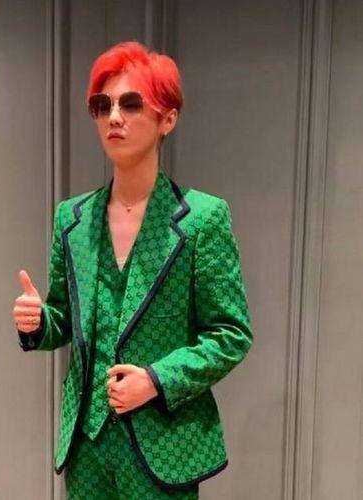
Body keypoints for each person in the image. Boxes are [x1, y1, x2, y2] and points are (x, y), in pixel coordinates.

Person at [13, 40, 253, 500]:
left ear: (168, 119)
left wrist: (157, 380)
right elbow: (63, 319)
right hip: (87, 445)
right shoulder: (73, 219)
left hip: (162, 445)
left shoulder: (202, 219)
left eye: (130, 103)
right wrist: (38, 322)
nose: (113, 117)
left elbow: (230, 334)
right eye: (102, 106)